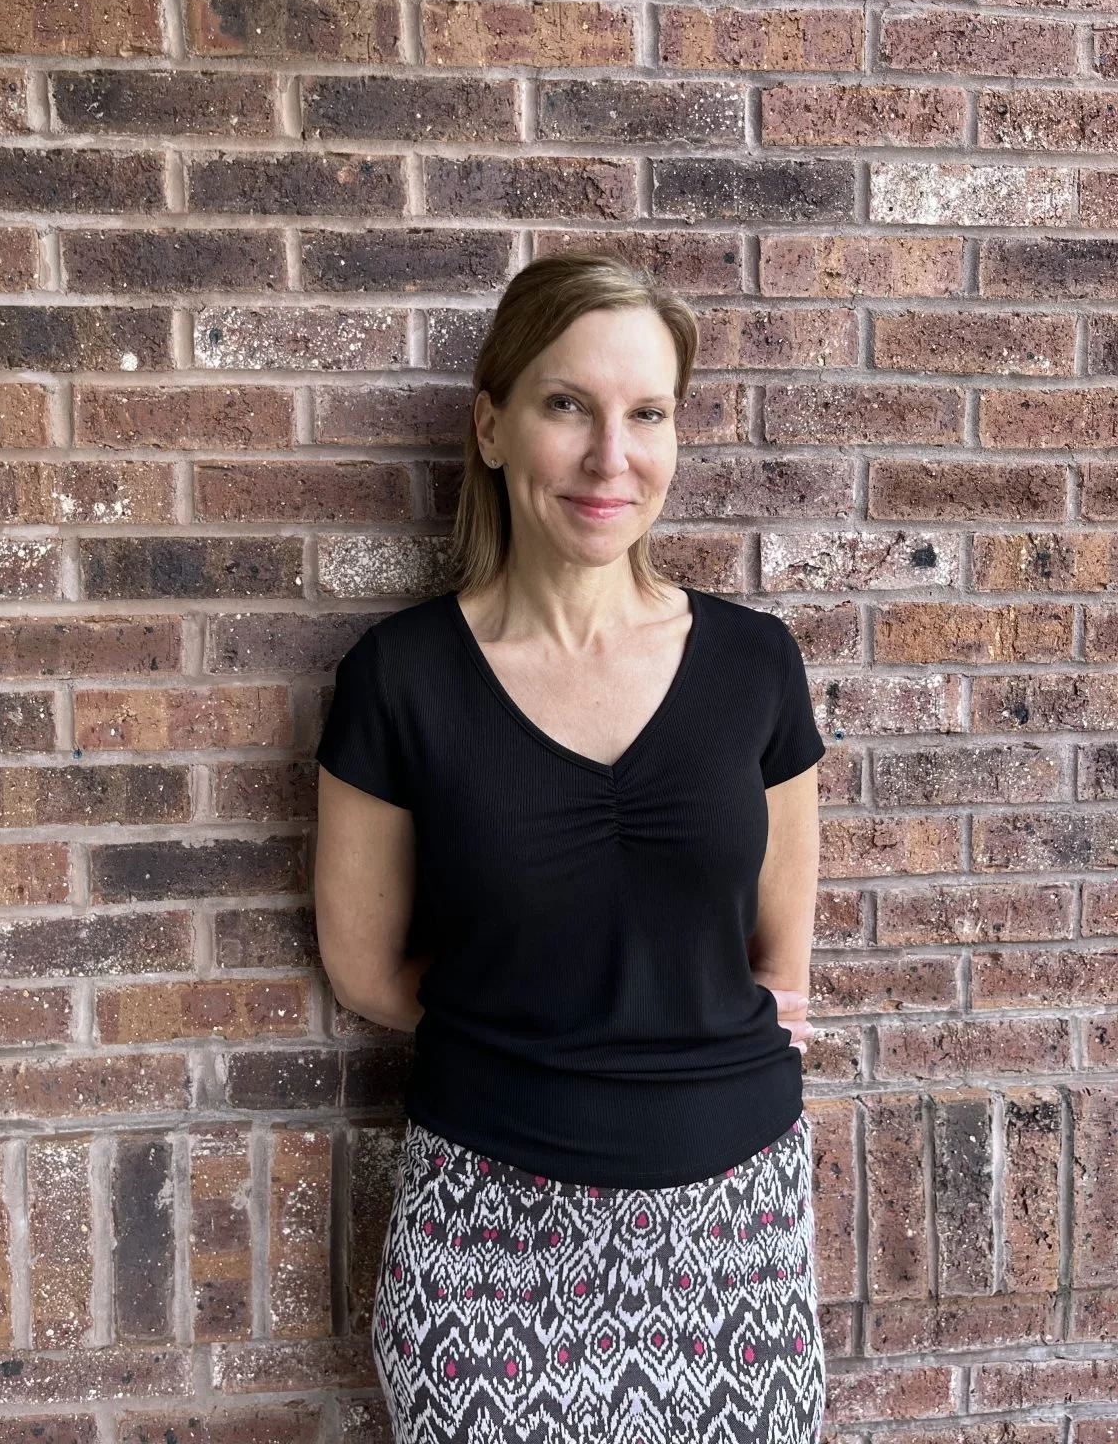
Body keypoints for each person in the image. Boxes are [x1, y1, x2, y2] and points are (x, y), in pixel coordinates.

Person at [313, 251, 827, 1444]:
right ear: (489, 427)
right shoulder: (400, 680)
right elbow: (368, 972)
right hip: (489, 1233)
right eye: (566, 406)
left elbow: (783, 955)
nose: (613, 457)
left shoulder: (757, 668)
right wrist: (549, 1023)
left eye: (647, 413)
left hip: (734, 1230)